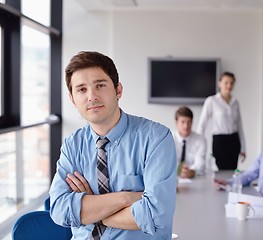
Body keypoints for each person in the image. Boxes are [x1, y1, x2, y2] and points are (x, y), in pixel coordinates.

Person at [49, 51, 177, 239]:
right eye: (81, 89)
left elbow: (156, 215)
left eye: (100, 85)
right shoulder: (72, 145)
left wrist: (92, 208)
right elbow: (60, 210)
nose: (92, 96)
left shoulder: (156, 138)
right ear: (72, 99)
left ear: (118, 90)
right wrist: (125, 198)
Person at [197, 71, 246, 170]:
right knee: (223, 171)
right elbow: (202, 124)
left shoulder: (235, 102)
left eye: (231, 83)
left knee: (232, 170)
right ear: (219, 83)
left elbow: (239, 125)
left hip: (234, 140)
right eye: (226, 82)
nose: (229, 85)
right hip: (220, 141)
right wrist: (199, 146)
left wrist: (243, 147)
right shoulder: (211, 101)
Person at [172, 106, 207, 178]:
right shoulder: (169, 138)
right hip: (173, 178)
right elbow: (167, 162)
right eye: (183, 122)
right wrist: (178, 170)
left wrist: (192, 171)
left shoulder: (200, 139)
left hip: (194, 178)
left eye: (189, 122)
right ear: (176, 122)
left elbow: (200, 163)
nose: (186, 126)